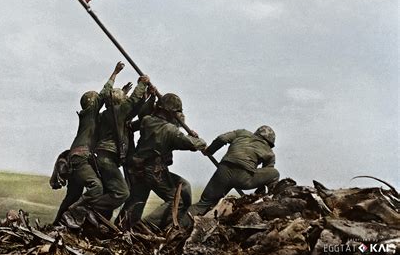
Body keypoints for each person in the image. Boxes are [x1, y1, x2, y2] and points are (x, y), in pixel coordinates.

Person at [53, 62, 124, 227]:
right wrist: (115, 73)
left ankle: (57, 224)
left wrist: (122, 94)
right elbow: (105, 92)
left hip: (76, 158)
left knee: (73, 195)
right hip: (81, 158)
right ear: (92, 103)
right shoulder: (90, 113)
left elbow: (109, 102)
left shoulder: (89, 117)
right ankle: (72, 214)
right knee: (97, 187)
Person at [127, 93, 206, 230]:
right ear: (171, 112)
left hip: (138, 167)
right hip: (154, 170)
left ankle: (124, 226)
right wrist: (198, 139)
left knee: (138, 200)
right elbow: (193, 144)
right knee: (177, 200)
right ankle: (146, 227)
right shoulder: (170, 130)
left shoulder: (147, 120)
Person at [186, 125, 280, 220]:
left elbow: (222, 138)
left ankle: (178, 223)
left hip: (223, 171)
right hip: (244, 178)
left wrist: (209, 151)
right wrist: (260, 193)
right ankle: (271, 201)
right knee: (275, 173)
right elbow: (265, 175)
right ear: (270, 142)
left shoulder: (242, 133)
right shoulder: (269, 153)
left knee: (204, 204)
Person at [92, 73, 150, 220]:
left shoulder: (106, 115)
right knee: (122, 193)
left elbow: (133, 108)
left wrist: (147, 96)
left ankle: (98, 220)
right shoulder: (117, 112)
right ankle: (86, 207)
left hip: (104, 158)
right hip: (108, 159)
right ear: (119, 102)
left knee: (110, 192)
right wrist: (142, 84)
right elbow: (132, 103)